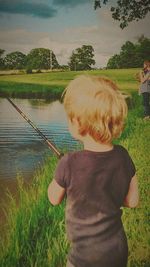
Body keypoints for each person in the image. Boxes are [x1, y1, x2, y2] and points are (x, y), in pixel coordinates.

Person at [48, 75, 139, 267]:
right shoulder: (123, 156)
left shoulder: (68, 162)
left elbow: (54, 199)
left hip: (83, 256)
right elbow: (132, 201)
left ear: (79, 124)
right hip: (117, 250)